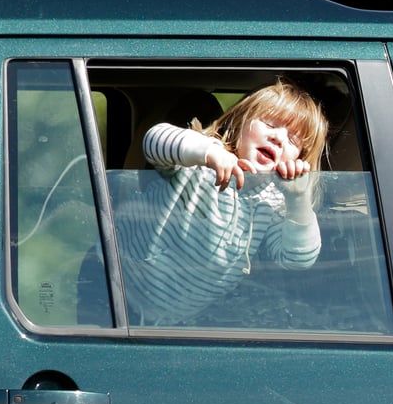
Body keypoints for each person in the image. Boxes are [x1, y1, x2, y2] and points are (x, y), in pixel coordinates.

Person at [116, 78, 328, 326]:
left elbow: (297, 260)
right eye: (270, 123)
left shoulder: (274, 204)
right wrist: (208, 153)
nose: (279, 138)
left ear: (299, 159)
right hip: (116, 284)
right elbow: (154, 140)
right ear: (240, 122)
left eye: (293, 140)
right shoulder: (199, 164)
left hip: (166, 318)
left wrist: (299, 200)